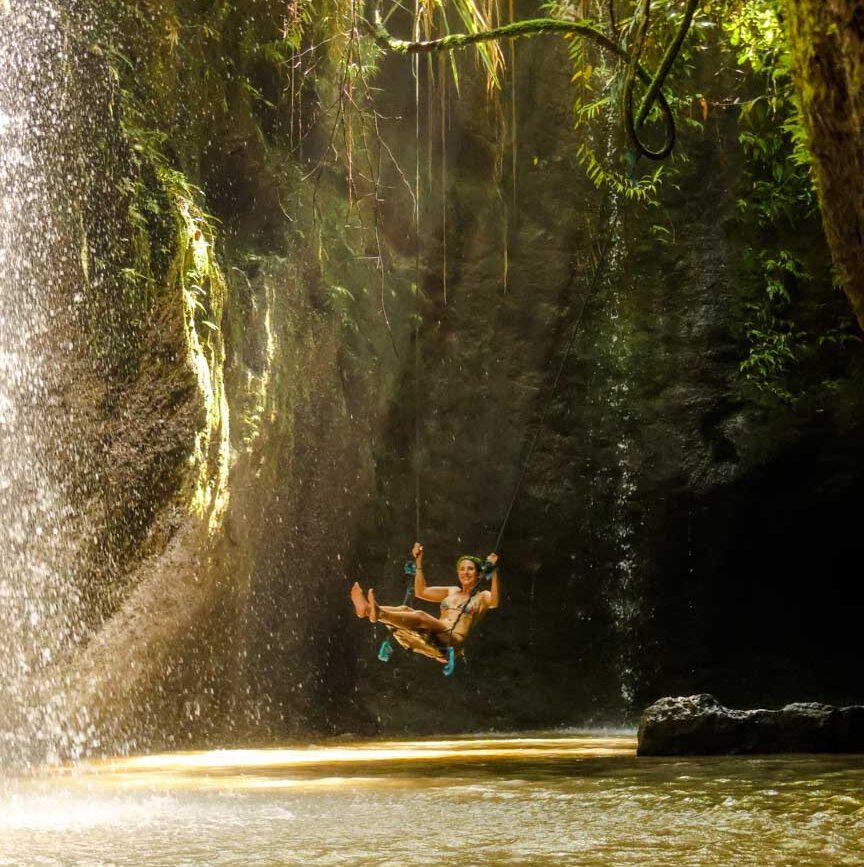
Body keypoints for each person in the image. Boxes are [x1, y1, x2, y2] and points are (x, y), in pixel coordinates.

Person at [350, 542, 499, 652]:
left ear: (479, 574)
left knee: (421, 616)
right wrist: (418, 562)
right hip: (438, 632)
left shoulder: (482, 596)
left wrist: (493, 572)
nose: (465, 572)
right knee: (404, 609)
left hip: (452, 640)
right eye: (462, 569)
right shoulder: (452, 591)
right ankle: (368, 610)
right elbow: (420, 592)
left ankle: (378, 612)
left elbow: (494, 602)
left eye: (470, 569)